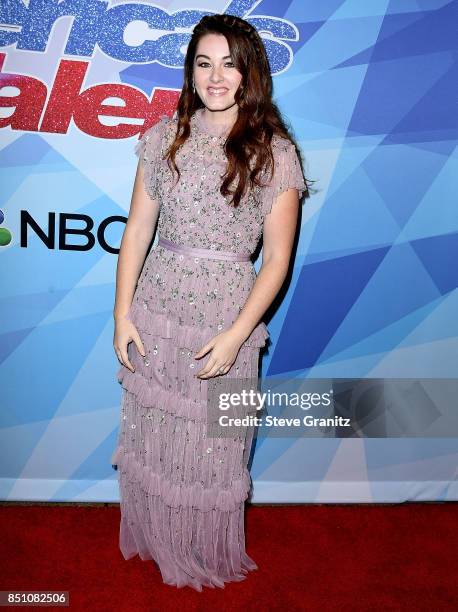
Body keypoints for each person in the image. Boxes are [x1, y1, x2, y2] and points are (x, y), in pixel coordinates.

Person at [111, 13, 311, 592]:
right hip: (157, 310)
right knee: (155, 434)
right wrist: (122, 312)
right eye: (204, 63)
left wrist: (238, 334)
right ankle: (155, 537)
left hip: (226, 317)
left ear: (250, 72)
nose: (216, 76)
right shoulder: (163, 137)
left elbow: (275, 262)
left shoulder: (274, 154)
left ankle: (200, 548)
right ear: (190, 71)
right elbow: (136, 230)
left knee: (213, 447)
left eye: (229, 63)